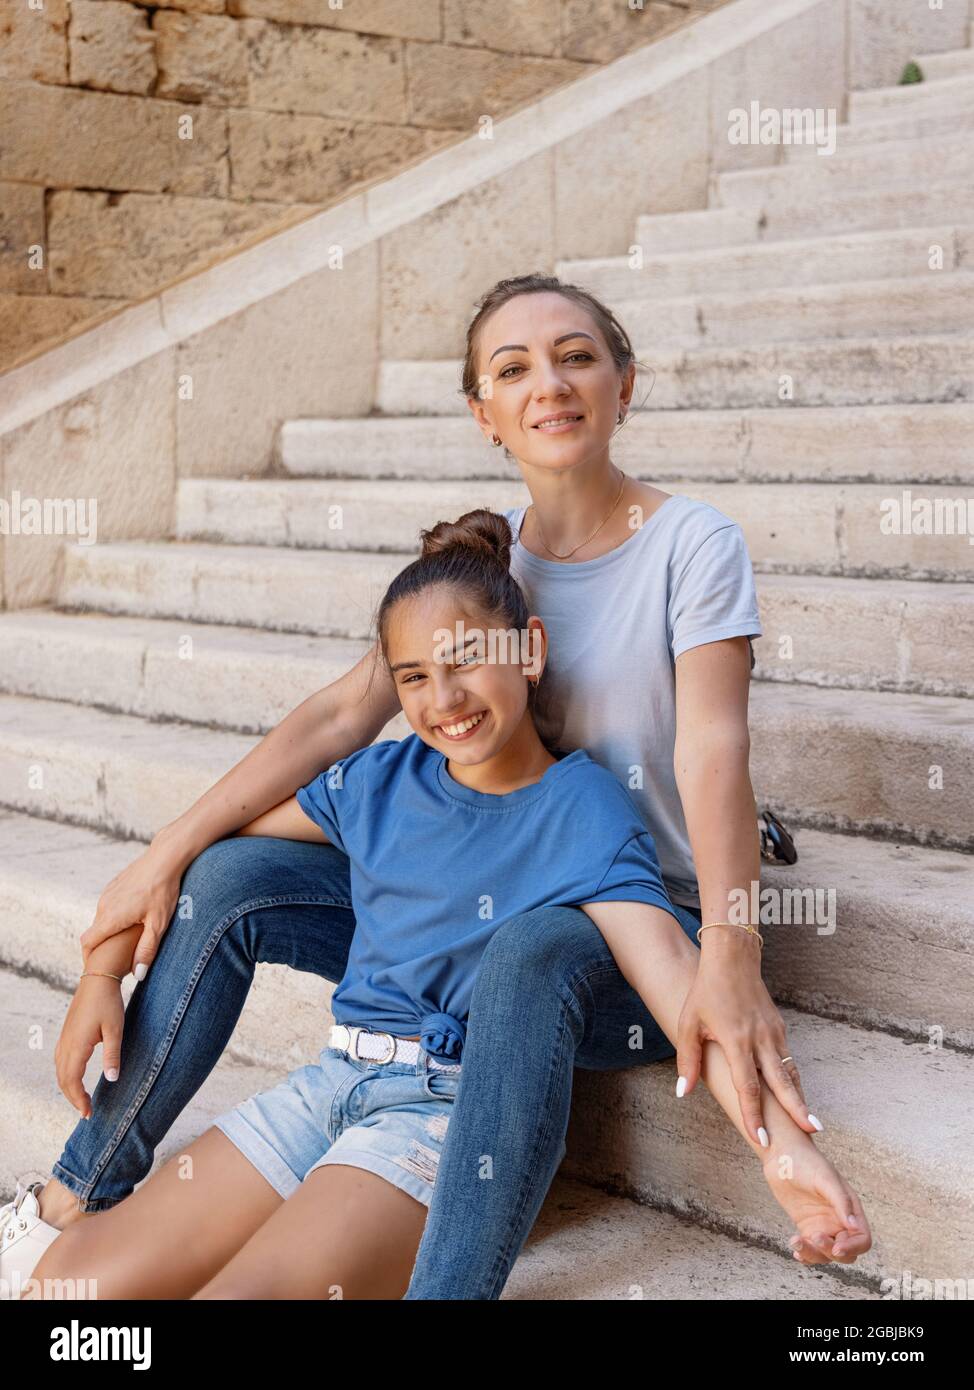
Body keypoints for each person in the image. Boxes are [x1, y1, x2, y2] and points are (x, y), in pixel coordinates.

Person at [2, 273, 870, 1300]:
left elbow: (709, 753)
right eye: (512, 368)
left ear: (624, 383)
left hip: (624, 924)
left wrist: (731, 947)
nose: (547, 384)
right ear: (481, 412)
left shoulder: (688, 544)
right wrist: (158, 861)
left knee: (528, 946)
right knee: (231, 874)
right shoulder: (478, 575)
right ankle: (76, 1191)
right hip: (461, 882)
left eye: (576, 356)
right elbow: (341, 717)